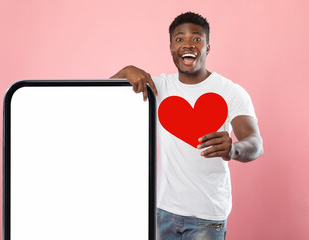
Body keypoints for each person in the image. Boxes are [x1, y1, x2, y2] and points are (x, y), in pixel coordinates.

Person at [110, 12, 263, 240]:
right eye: (179, 39)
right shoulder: (157, 87)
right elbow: (104, 101)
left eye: (197, 39)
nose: (188, 44)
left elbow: (255, 143)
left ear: (208, 48)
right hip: (162, 213)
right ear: (171, 48)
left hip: (207, 217)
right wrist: (125, 71)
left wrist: (234, 149)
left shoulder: (230, 91)